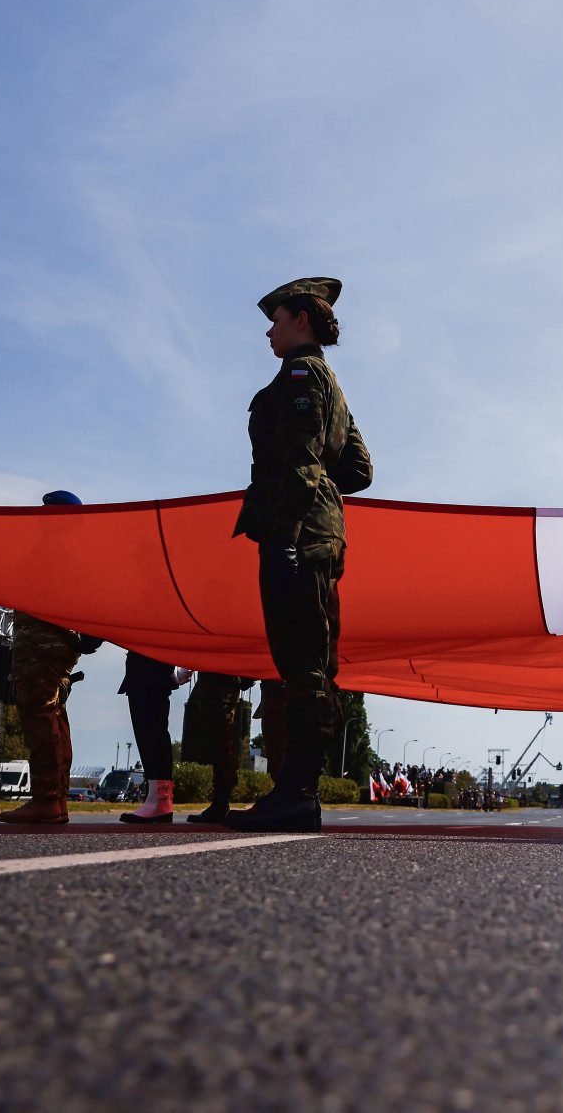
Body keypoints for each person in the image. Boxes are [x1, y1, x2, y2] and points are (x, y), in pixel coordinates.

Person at [224, 277, 373, 832]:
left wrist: (285, 533)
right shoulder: (330, 383)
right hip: (316, 531)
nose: (269, 329)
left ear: (302, 320)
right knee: (307, 662)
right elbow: (357, 469)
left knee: (304, 667)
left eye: (278, 318)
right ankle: (296, 790)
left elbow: (304, 460)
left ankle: (296, 793)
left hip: (298, 534)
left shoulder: (301, 375)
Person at [0, 490, 104, 825]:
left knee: (40, 716)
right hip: (55, 647)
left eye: (47, 513)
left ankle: (47, 799)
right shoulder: (74, 555)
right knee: (54, 717)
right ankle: (55, 800)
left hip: (43, 647)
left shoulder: (53, 554)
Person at [118, 651, 191, 823]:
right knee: (149, 733)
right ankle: (158, 799)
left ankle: (160, 800)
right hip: (149, 669)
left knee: (151, 733)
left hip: (150, 671)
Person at [182, 670, 247, 823]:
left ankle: (221, 800)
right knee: (215, 737)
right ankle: (220, 801)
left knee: (220, 736)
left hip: (223, 675)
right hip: (215, 675)